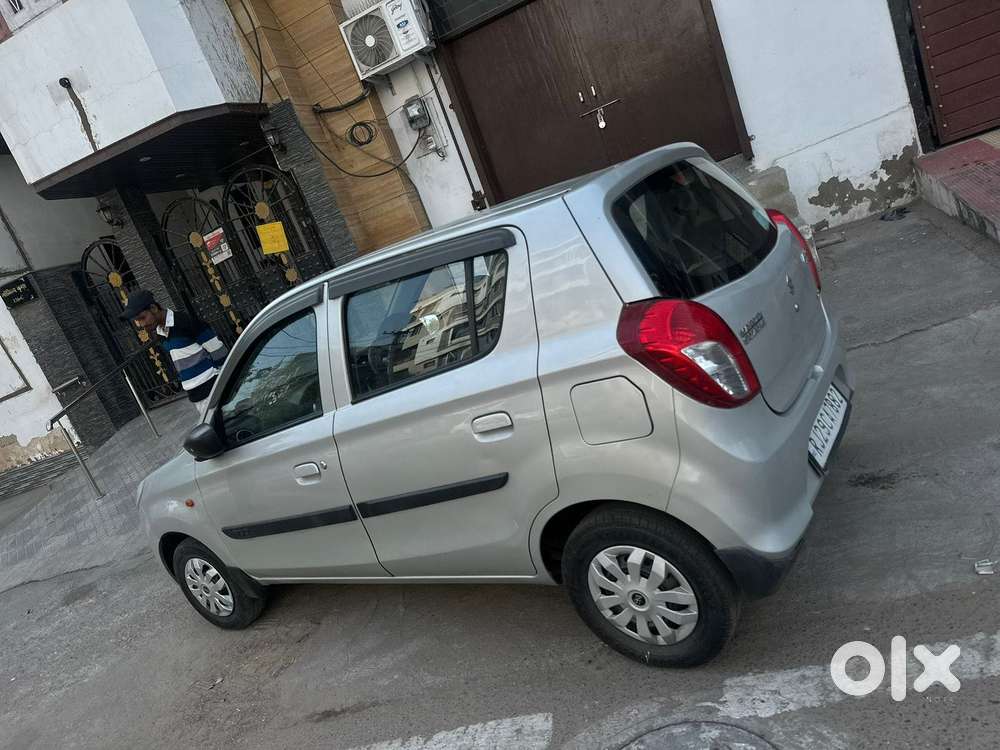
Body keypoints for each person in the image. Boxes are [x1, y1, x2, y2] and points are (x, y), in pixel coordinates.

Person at [120, 290, 227, 413]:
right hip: (195, 392)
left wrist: (226, 381)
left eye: (142, 318)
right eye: (137, 321)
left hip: (213, 386)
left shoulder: (184, 322)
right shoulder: (160, 332)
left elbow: (218, 350)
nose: (141, 324)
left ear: (154, 308)